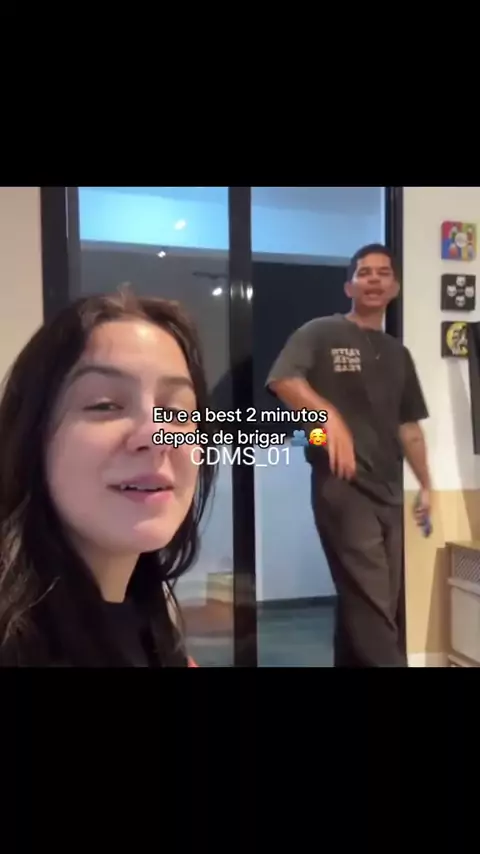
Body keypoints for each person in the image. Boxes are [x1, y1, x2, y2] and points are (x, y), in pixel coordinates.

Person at [0, 289, 216, 666]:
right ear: (31, 435)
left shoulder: (146, 614)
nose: (157, 435)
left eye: (175, 412)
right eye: (105, 405)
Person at [266, 244, 431, 668]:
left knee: (373, 602)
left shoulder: (398, 354)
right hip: (343, 487)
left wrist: (427, 485)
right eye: (364, 272)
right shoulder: (321, 332)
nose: (373, 279)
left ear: (394, 287)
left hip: (389, 491)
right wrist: (327, 415)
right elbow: (284, 381)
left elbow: (409, 428)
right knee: (372, 607)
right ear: (349, 286)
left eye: (383, 272)